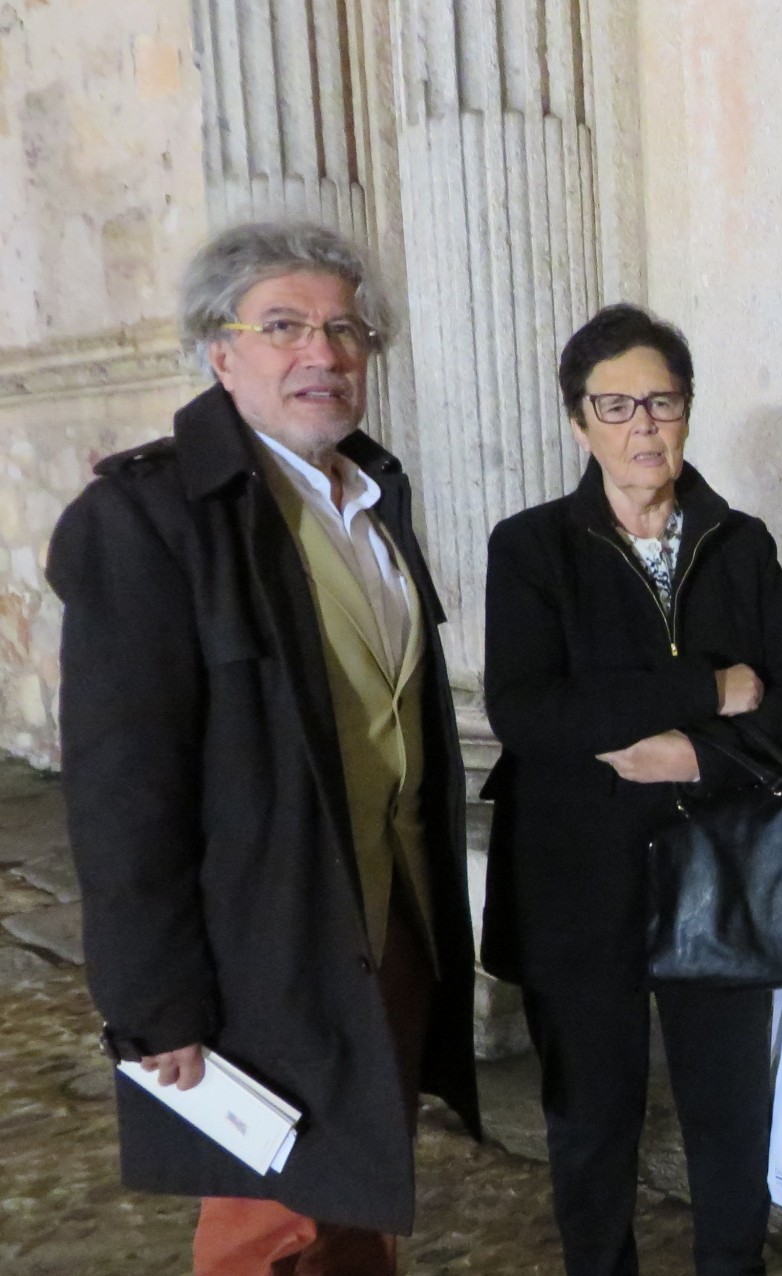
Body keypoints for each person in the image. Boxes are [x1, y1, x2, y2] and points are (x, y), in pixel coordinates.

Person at [47, 221, 480, 1274]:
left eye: (343, 329)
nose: (321, 353)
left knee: (354, 1201)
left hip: (384, 931)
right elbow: (124, 790)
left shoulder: (374, 505)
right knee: (264, 1231)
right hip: (256, 955)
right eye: (282, 325)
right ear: (219, 350)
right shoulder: (149, 517)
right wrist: (153, 1006)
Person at [479, 304, 782, 1276]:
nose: (642, 425)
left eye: (662, 402)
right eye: (616, 405)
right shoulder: (531, 548)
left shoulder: (738, 540)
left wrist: (700, 754)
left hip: (716, 865)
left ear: (686, 411)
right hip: (577, 877)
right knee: (592, 1120)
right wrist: (705, 690)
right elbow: (528, 711)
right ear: (578, 421)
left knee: (729, 1116)